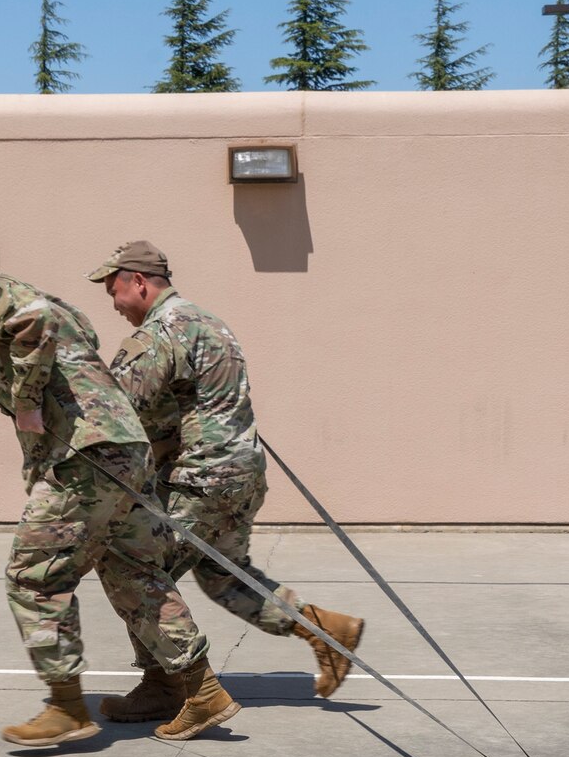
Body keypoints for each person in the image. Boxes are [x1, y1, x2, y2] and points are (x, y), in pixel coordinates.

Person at [0, 218, 239, 746]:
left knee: (33, 575)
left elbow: (34, 325)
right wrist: (11, 385)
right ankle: (201, 692)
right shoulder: (38, 294)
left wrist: (25, 401)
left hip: (84, 457)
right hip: (122, 447)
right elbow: (78, 333)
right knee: (131, 568)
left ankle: (66, 705)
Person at [85, 241, 365, 723]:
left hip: (202, 477)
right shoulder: (211, 323)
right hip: (240, 473)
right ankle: (324, 629)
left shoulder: (160, 334)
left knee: (133, 564)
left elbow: (116, 410)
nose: (114, 303)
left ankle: (168, 685)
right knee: (224, 576)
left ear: (138, 280)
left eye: (115, 291)